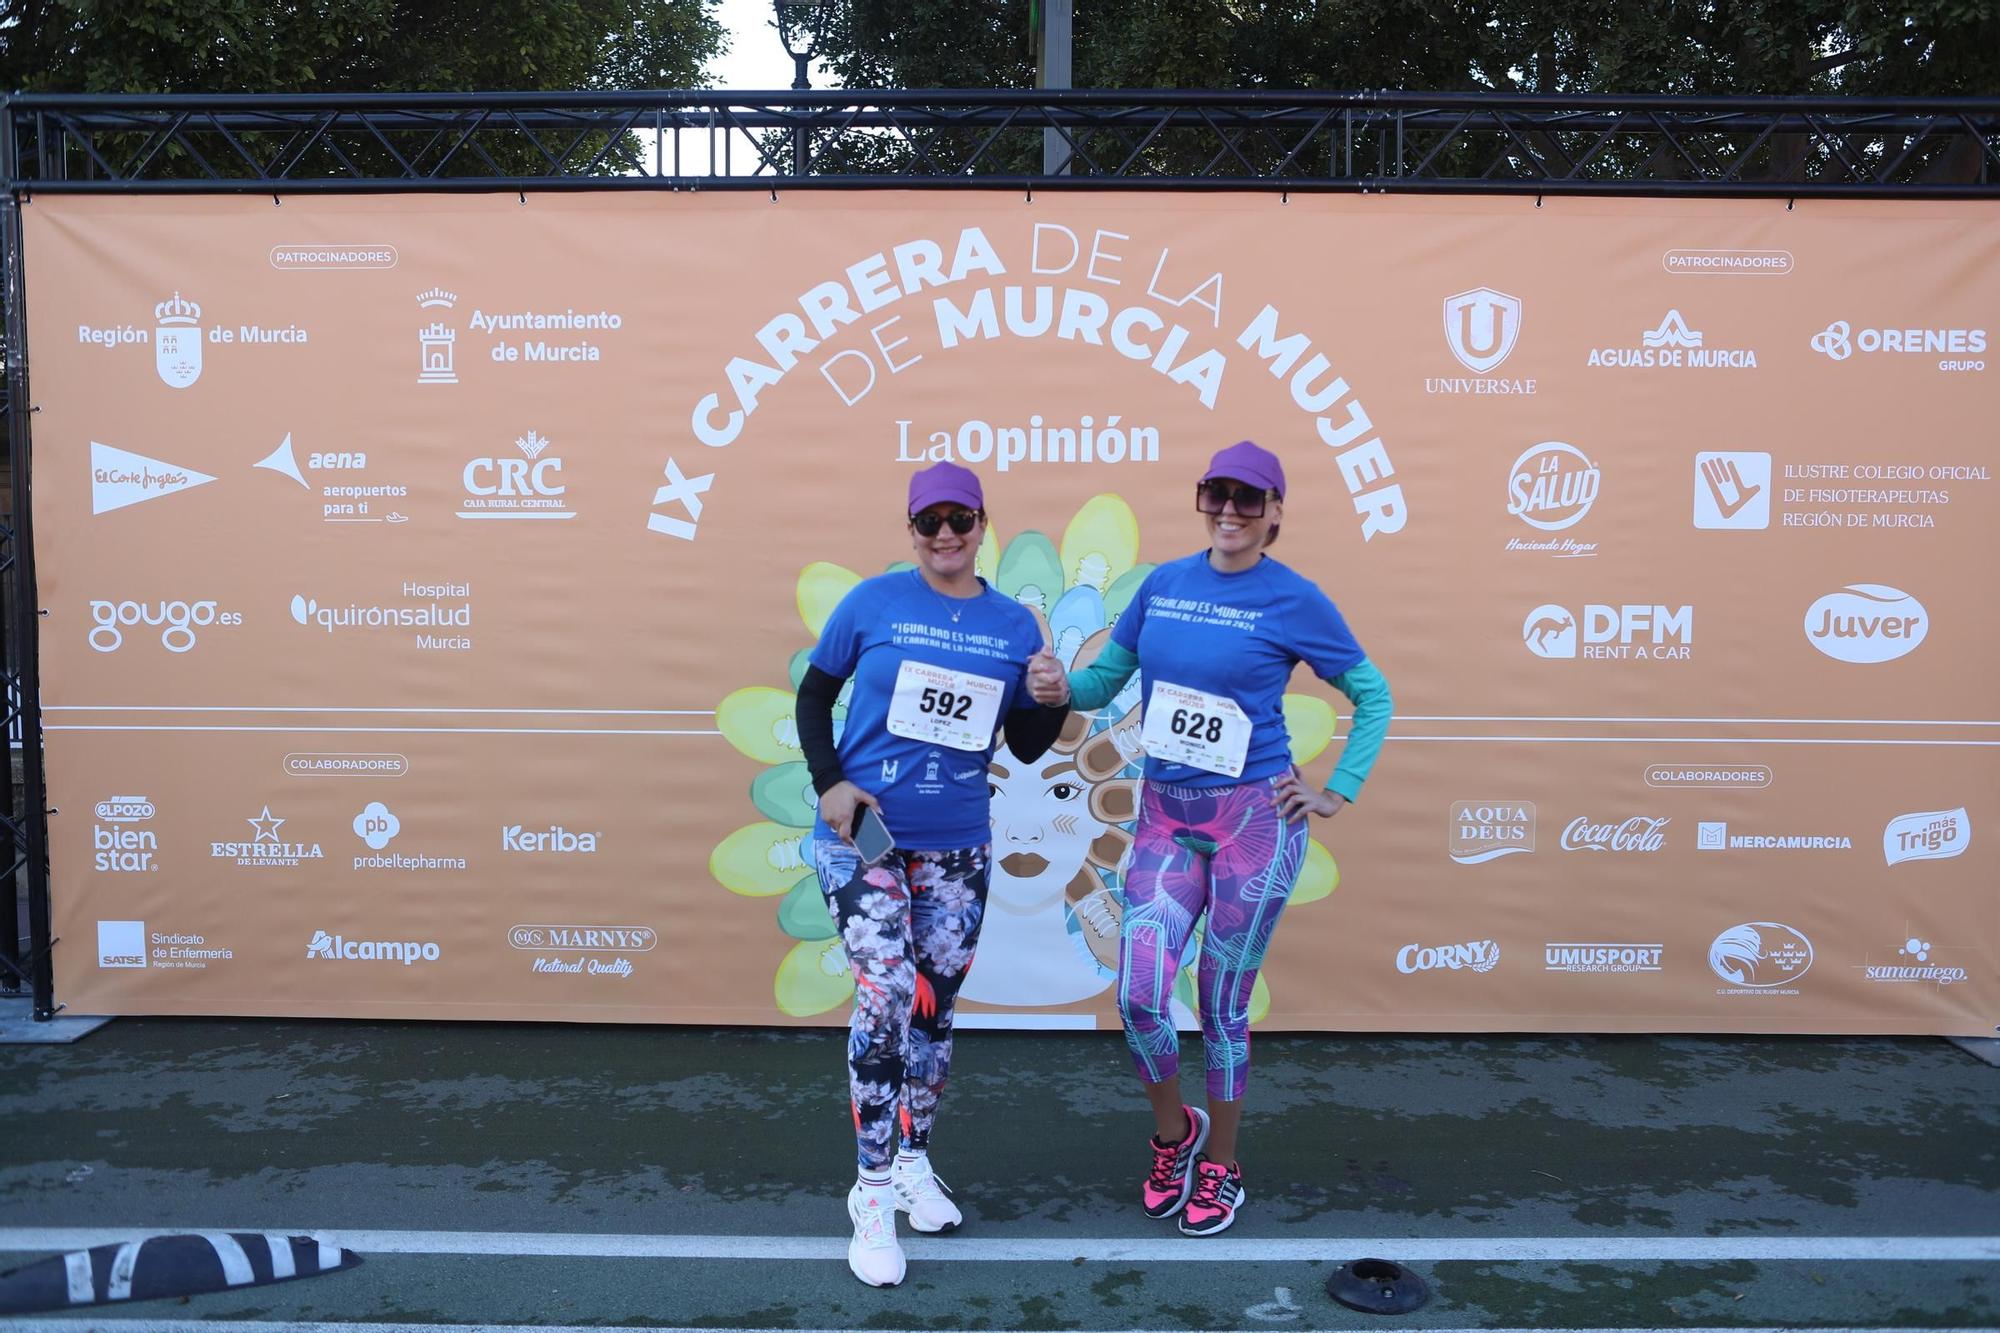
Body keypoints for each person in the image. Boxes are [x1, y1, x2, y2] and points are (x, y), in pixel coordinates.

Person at [1027, 440, 1392, 1237]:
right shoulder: (1164, 583)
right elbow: (1099, 685)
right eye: (1216, 494)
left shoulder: (1295, 598)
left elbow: (1372, 693)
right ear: (1202, 500)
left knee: (1223, 1005)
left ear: (1274, 514)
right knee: (1138, 995)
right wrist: (1058, 687)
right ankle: (1174, 1135)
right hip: (1165, 816)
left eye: (1248, 498)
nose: (1230, 510)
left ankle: (1222, 1165)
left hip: (1254, 826)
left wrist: (1336, 790)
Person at [795, 460, 1070, 1287]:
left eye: (961, 518)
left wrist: (1052, 697)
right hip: (865, 838)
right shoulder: (872, 603)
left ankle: (914, 1158)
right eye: (930, 521)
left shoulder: (1014, 625)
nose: (945, 533)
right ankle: (871, 1193)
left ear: (984, 523)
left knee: (933, 1007)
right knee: (884, 993)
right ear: (910, 529)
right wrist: (830, 781)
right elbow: (815, 698)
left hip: (957, 845)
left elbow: (1024, 743)